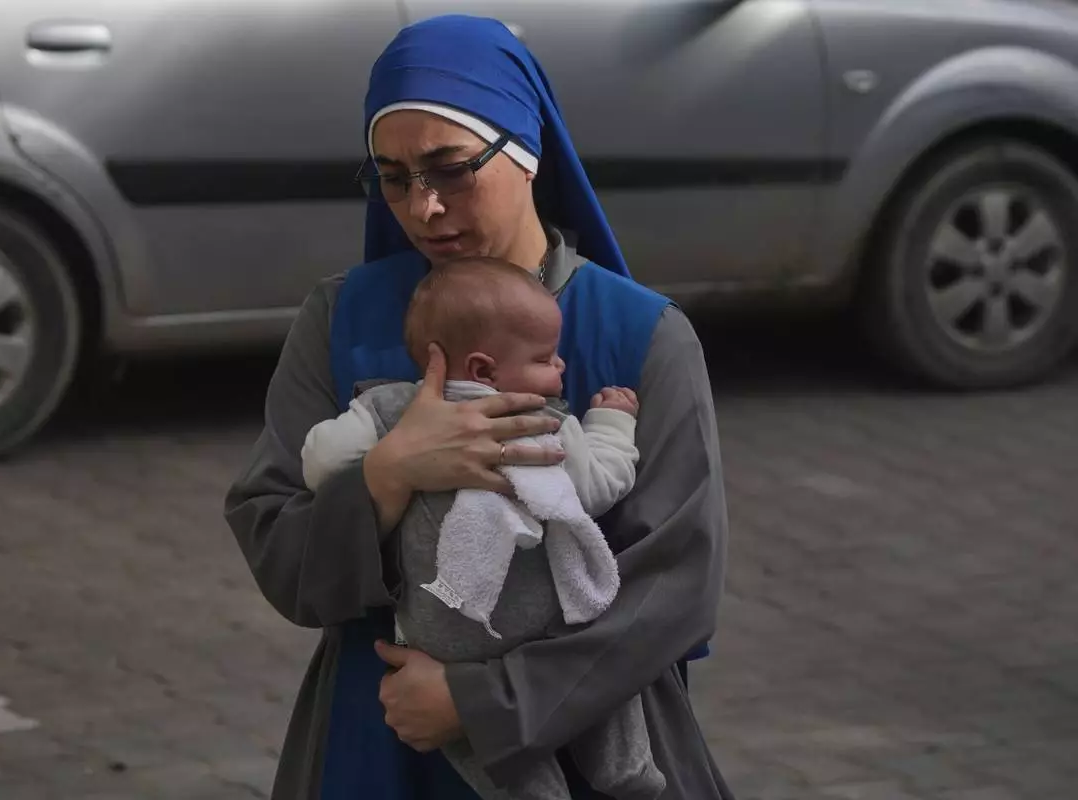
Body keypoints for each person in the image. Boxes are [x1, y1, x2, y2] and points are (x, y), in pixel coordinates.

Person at [223, 13, 733, 800]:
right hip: (382, 733)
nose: (423, 207)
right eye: (394, 178)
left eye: (451, 169)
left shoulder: (641, 335)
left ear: (526, 152)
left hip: (580, 737)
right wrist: (388, 477)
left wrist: (480, 702)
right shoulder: (342, 320)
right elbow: (279, 549)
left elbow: (674, 585)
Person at [299, 255, 665, 800]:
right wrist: (612, 423)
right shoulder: (546, 421)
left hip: (442, 637)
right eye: (544, 358)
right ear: (484, 370)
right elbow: (600, 484)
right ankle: (629, 770)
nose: (561, 365)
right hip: (545, 625)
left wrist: (385, 456)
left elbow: (318, 460)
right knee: (609, 684)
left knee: (477, 745)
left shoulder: (390, 408)